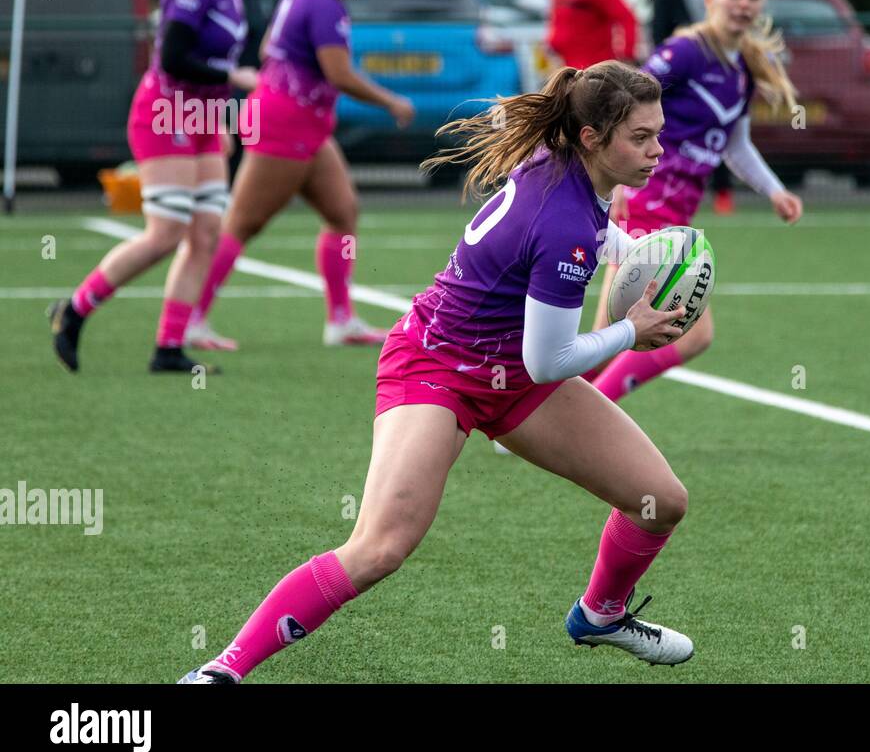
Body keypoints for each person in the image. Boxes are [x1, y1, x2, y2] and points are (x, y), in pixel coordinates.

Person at [179, 61, 696, 684]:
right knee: (379, 548)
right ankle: (222, 670)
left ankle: (601, 614)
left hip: (510, 373)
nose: (656, 150)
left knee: (660, 502)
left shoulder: (574, 168)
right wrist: (630, 332)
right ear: (592, 137)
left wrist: (634, 253)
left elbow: (587, 242)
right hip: (436, 366)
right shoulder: (561, 222)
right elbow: (549, 360)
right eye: (641, 137)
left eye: (658, 133)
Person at [188, 0, 415, 349]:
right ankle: (191, 319)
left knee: (343, 212)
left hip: (303, 124)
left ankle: (340, 320)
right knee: (241, 224)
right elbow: (340, 74)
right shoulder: (323, 3)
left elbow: (267, 46)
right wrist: (391, 102)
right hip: (284, 124)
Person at [48, 0, 258, 373]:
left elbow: (208, 71)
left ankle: (168, 347)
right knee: (165, 234)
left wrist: (221, 118)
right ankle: (75, 309)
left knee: (205, 235)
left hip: (201, 118)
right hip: (166, 114)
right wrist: (235, 80)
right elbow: (174, 60)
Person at [587, 0, 803, 401]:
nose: (743, 3)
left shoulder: (740, 71)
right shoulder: (685, 53)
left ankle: (544, 416)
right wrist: (621, 179)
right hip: (644, 202)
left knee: (605, 340)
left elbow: (735, 144)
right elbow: (627, 101)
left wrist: (775, 190)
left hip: (673, 215)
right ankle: (584, 417)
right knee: (692, 332)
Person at [651, 0, 736, 215]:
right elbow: (658, 28)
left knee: (719, 122)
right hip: (681, 64)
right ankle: (663, 182)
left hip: (715, 63)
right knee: (671, 124)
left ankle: (723, 191)